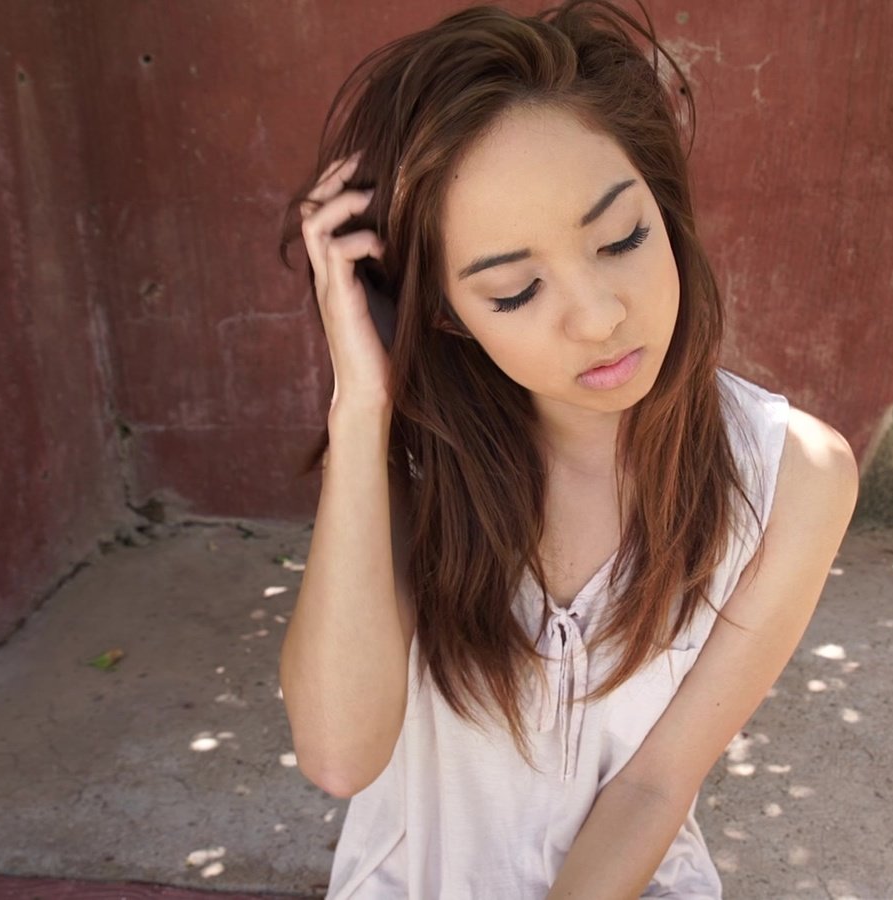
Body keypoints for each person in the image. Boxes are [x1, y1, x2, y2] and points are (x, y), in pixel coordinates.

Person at [275, 1, 858, 896]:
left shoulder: (794, 478)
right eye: (514, 290)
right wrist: (362, 408)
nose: (598, 316)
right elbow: (340, 755)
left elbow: (654, 786)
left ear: (664, 205)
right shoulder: (410, 463)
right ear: (443, 314)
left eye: (622, 238)